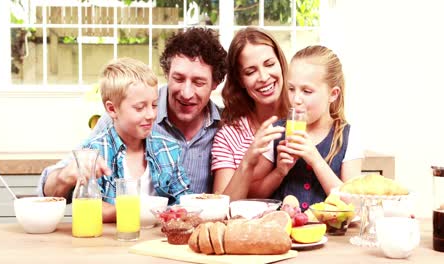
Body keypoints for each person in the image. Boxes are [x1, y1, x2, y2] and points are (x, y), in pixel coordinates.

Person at [37, 27, 228, 206]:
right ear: (167, 74)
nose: (186, 93)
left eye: (198, 82)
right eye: (178, 79)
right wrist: (65, 176)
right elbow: (51, 189)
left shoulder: (227, 127)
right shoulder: (121, 118)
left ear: (215, 84)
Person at [254, 45, 364, 211]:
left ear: (333, 94)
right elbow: (255, 194)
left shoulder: (348, 136)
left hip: (329, 234)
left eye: (306, 91)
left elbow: (354, 205)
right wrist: (279, 171)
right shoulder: (277, 131)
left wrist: (315, 159)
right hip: (283, 232)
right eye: (291, 89)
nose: (296, 99)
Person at [211, 27, 289, 200]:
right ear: (240, 80)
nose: (263, 77)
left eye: (269, 64)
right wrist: (248, 159)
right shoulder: (229, 136)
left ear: (281, 63)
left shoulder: (304, 117)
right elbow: (222, 207)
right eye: (250, 72)